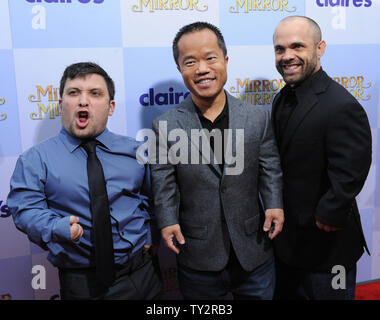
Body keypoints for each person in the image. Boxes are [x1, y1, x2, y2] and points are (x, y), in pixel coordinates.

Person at [149, 22, 284, 300]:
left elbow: (269, 166)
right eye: (190, 62)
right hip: (197, 254)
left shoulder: (257, 116)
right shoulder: (165, 125)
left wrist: (274, 203)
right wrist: (166, 220)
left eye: (210, 57)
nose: (201, 69)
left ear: (225, 59)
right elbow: (164, 182)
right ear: (179, 69)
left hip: (254, 250)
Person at [7, 62, 162, 300]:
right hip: (81, 283)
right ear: (61, 105)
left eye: (95, 93)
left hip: (141, 275)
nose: (83, 101)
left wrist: (152, 234)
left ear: (110, 107)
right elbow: (26, 210)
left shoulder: (136, 151)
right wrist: (57, 227)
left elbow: (153, 198)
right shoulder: (35, 159)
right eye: (73, 92)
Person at [271, 16, 372, 300]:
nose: (287, 56)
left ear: (320, 48)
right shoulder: (283, 97)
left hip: (329, 250)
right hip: (288, 246)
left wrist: (329, 213)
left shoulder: (340, 104)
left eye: (297, 46)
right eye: (280, 49)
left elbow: (351, 169)